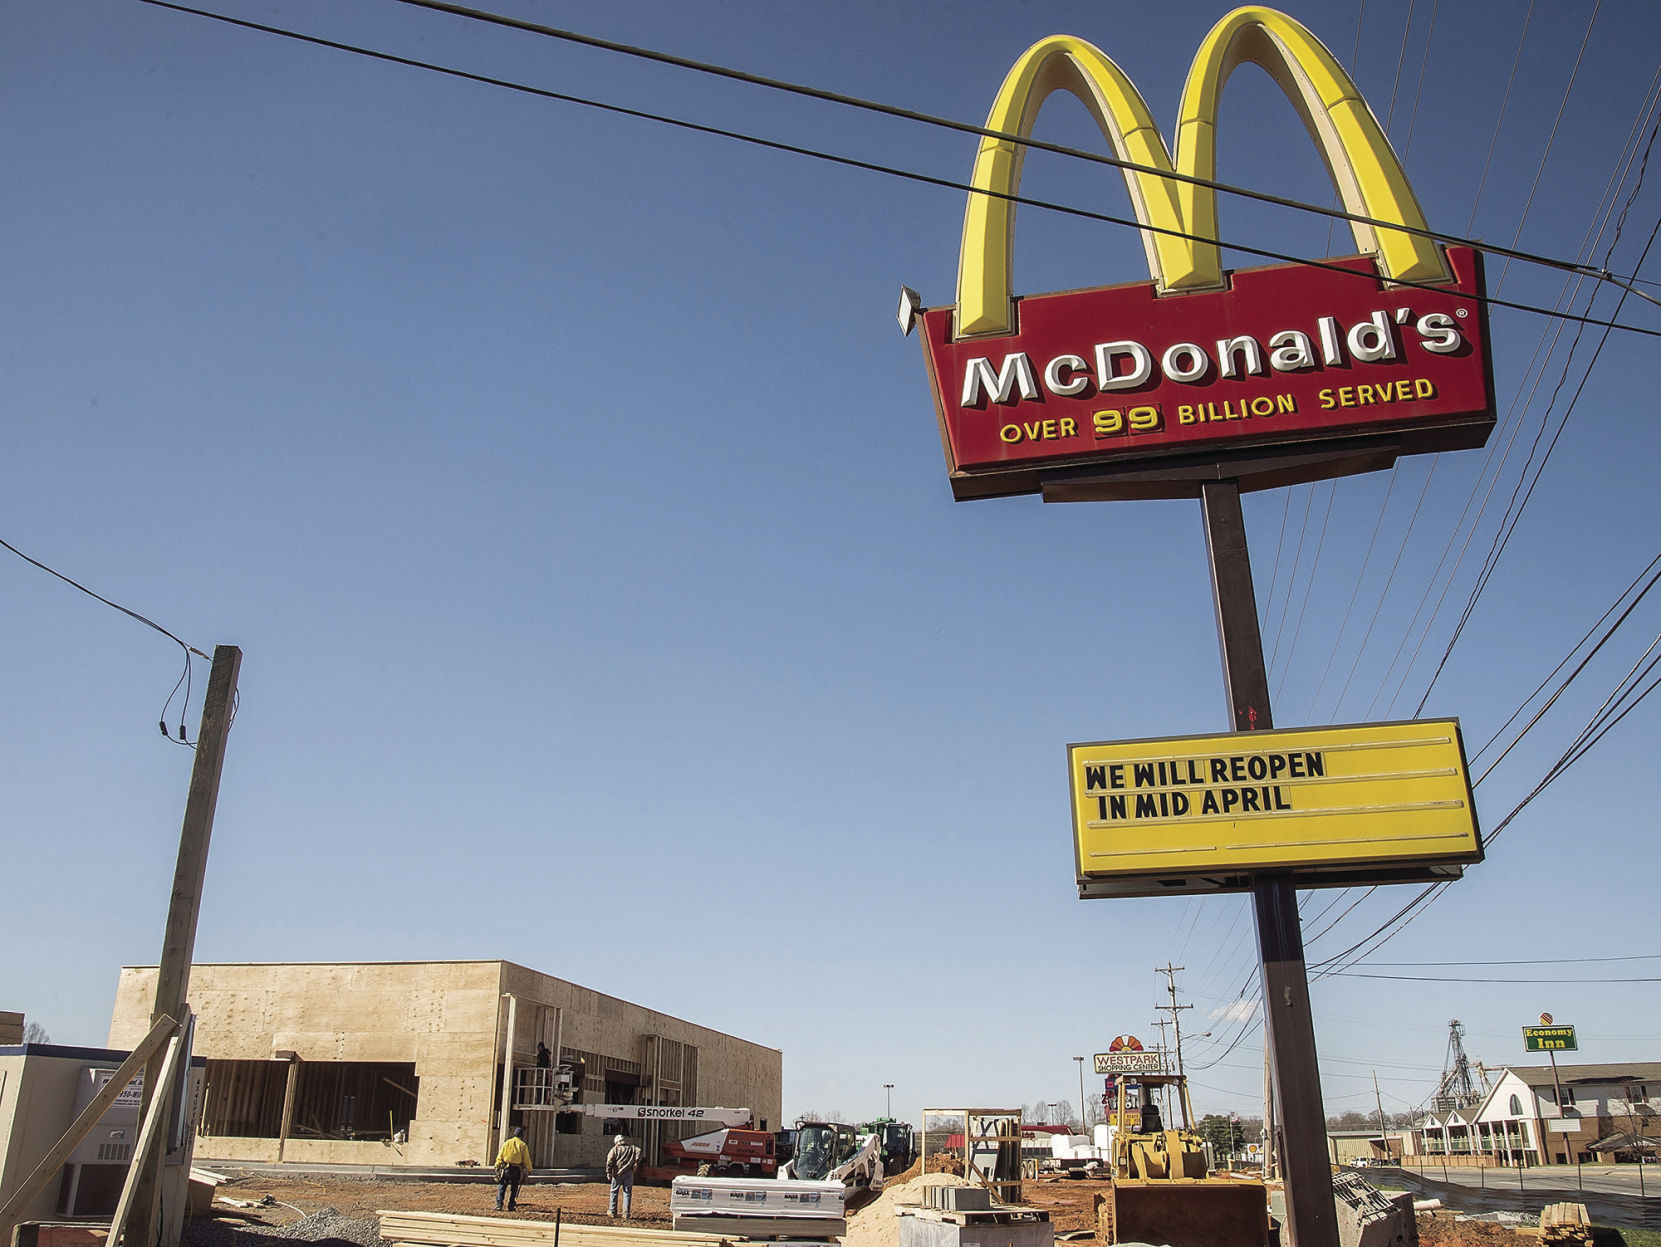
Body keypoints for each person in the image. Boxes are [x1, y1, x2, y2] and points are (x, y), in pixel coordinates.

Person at [605, 1133, 642, 1218]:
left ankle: (612, 1211)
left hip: (617, 1173)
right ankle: (626, 1213)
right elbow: (639, 1151)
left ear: (617, 1142)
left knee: (614, 1191)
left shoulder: (615, 1150)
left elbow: (609, 1161)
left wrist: (608, 1172)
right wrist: (636, 1162)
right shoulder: (631, 1148)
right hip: (629, 1173)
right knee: (627, 1192)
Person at [494, 1125, 530, 1211]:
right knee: (514, 1187)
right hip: (516, 1169)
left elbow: (500, 1155)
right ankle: (511, 1205)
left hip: (506, 1168)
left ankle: (499, 1205)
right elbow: (526, 1159)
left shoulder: (507, 1143)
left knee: (502, 1186)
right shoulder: (522, 1145)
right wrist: (529, 1169)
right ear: (521, 1135)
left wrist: (497, 1165)